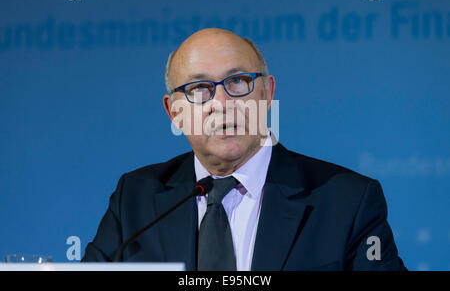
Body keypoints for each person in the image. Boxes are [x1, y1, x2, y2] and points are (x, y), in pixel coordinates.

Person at [82, 28, 406, 271]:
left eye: (237, 82)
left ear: (267, 93)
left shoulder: (347, 201)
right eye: (198, 88)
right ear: (173, 112)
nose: (221, 104)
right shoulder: (135, 199)